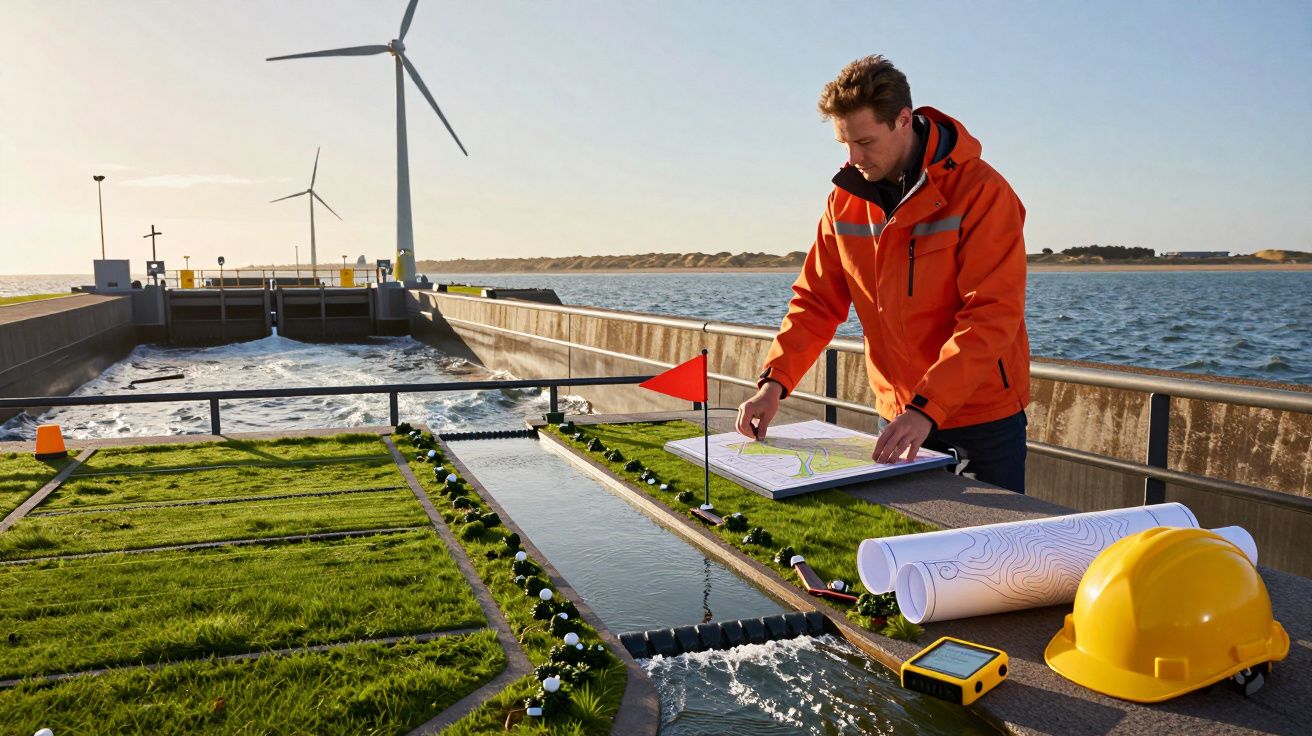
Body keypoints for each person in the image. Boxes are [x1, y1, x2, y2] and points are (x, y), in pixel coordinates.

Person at [735, 55, 1031, 492]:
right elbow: (816, 302)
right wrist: (774, 383)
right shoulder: (843, 202)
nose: (853, 158)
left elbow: (991, 313)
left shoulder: (984, 193)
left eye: (866, 142)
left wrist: (927, 408)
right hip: (896, 415)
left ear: (903, 120)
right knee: (899, 547)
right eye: (844, 143)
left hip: (981, 420)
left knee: (992, 556)